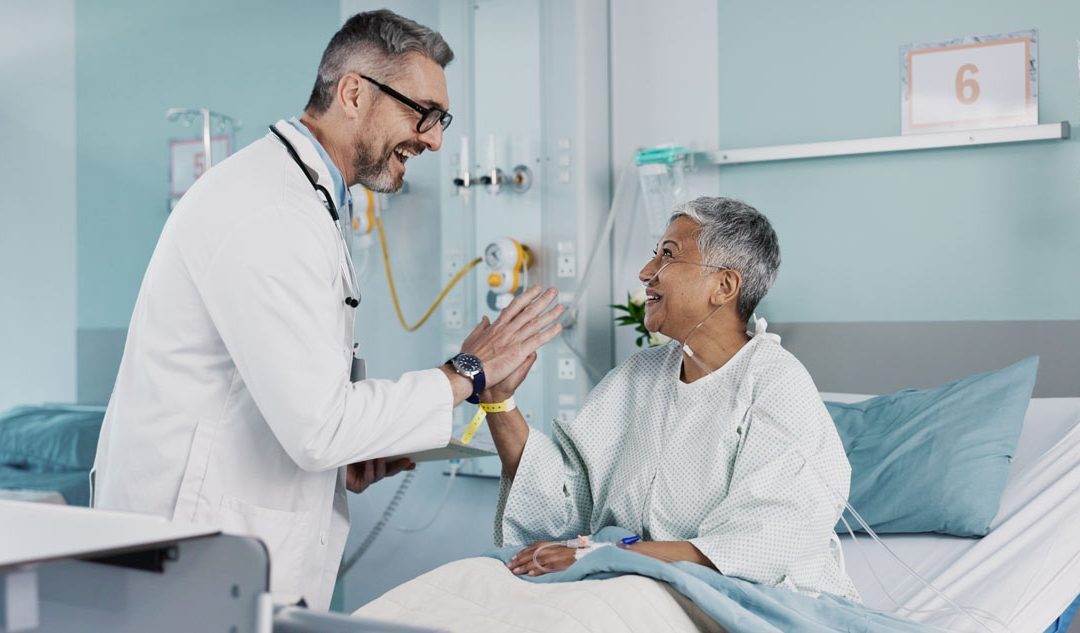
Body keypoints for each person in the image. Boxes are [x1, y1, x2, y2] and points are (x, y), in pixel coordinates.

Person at [90, 10, 562, 610]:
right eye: (423, 114)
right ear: (354, 93)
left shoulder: (304, 200)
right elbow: (318, 428)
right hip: (191, 550)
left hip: (223, 548)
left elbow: (299, 407)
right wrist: (467, 373)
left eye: (441, 120)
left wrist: (350, 455)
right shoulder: (269, 210)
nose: (434, 139)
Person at [481, 196, 860, 602]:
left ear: (724, 286)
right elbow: (562, 501)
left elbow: (764, 544)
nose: (646, 273)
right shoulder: (639, 376)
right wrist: (499, 401)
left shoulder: (775, 384)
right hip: (627, 586)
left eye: (667, 256)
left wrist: (605, 556)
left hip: (731, 599)